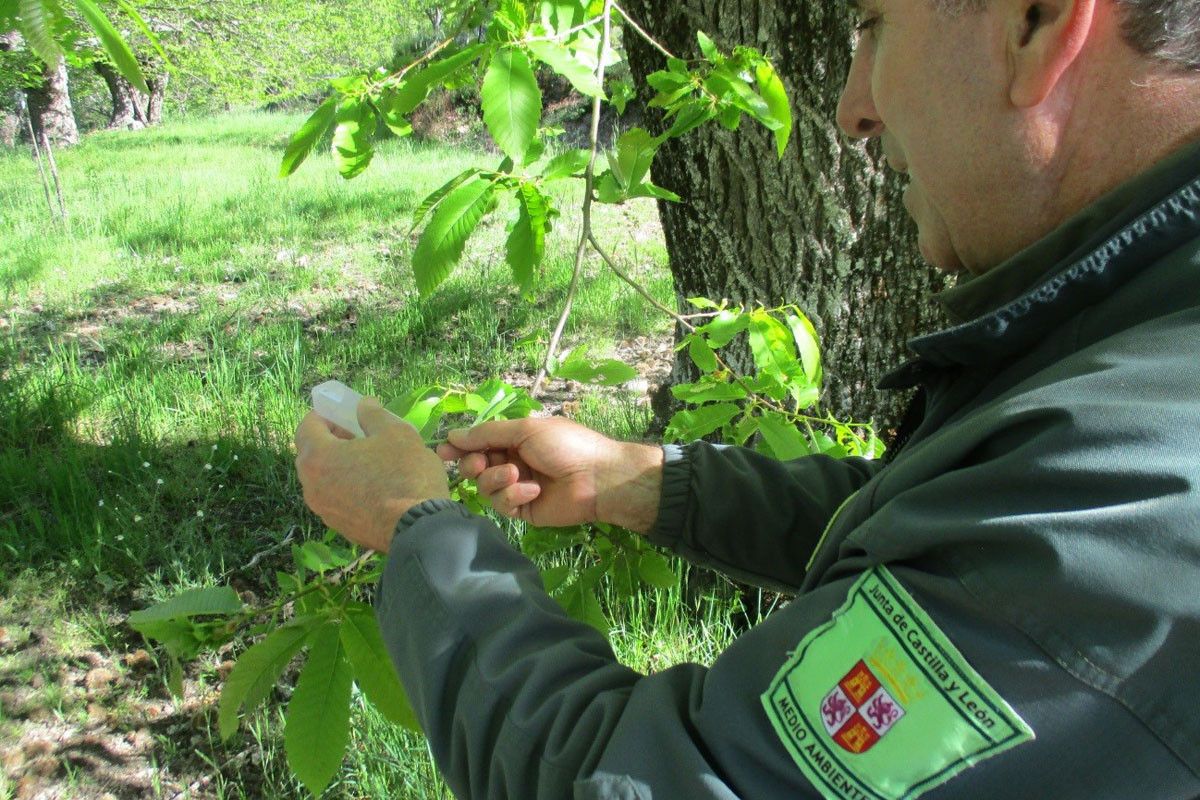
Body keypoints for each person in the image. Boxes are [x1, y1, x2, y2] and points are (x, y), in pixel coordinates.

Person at [294, 0, 1200, 796]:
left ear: (1038, 22)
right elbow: (958, 535)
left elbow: (643, 784)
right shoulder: (1145, 338)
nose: (853, 108)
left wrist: (416, 527)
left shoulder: (1128, 497)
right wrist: (638, 481)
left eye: (873, 24)